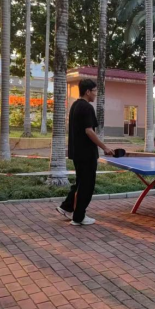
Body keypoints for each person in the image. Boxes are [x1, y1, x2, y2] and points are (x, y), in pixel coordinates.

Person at [57, 79, 114, 226]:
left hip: (77, 152)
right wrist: (104, 147)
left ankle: (67, 207)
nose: (95, 94)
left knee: (81, 182)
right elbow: (89, 131)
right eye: (94, 91)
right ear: (88, 92)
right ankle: (79, 217)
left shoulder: (75, 105)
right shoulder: (87, 107)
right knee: (87, 185)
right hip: (86, 154)